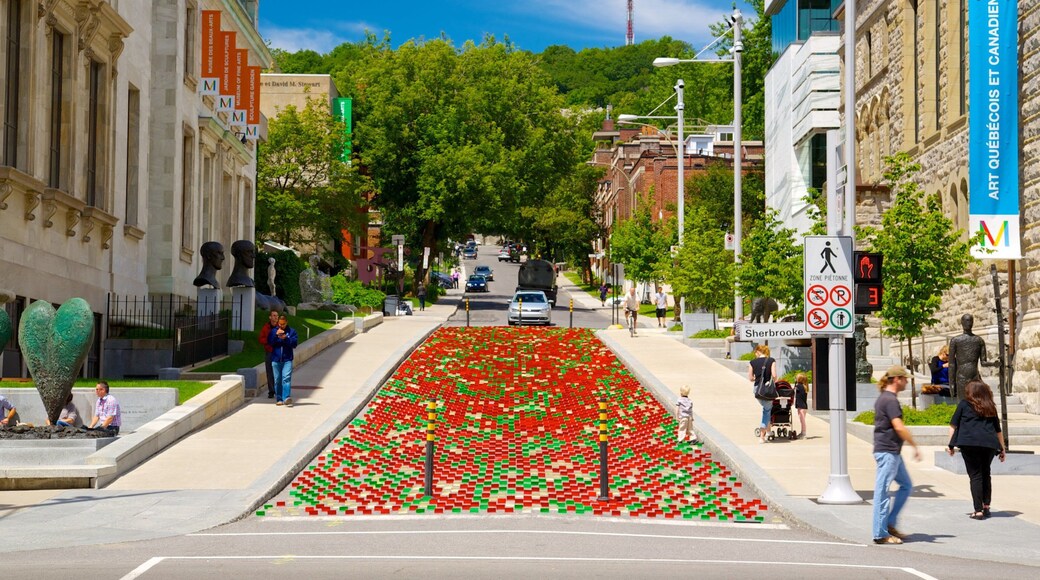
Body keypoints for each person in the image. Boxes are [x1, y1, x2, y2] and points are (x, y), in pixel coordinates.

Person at [872, 365, 921, 545]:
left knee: (906, 485)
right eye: (905, 379)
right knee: (882, 491)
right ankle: (880, 533)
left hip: (892, 452)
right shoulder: (890, 400)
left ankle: (890, 523)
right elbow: (898, 426)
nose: (907, 382)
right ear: (897, 379)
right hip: (888, 452)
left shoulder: (885, 398)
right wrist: (914, 445)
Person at [947, 380, 1007, 519]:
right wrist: (1002, 449)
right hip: (989, 444)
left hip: (969, 443)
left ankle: (978, 510)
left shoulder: (964, 404)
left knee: (975, 475)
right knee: (986, 473)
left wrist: (950, 445)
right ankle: (986, 506)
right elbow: (998, 431)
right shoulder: (990, 406)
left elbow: (953, 425)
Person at [949, 314, 993, 398]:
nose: (968, 323)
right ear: (962, 322)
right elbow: (951, 364)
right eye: (966, 320)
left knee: (976, 402)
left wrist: (994, 364)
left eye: (970, 321)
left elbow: (983, 362)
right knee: (963, 402)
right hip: (961, 378)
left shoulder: (979, 340)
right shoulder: (955, 340)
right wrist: (951, 383)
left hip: (974, 378)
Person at [748, 344, 777, 444]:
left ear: (758, 351)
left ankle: (768, 431)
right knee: (767, 411)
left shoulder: (752, 362)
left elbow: (750, 378)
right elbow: (774, 375)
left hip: (758, 390)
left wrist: (758, 379)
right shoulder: (771, 360)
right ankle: (762, 436)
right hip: (767, 390)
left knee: (767, 408)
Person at [269, 313, 299, 407]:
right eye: (280, 324)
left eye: (283, 324)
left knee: (286, 378)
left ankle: (286, 398)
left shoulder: (292, 331)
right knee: (277, 379)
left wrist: (286, 338)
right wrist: (276, 335)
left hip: (287, 359)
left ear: (286, 322)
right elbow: (270, 342)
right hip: (276, 359)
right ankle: (279, 399)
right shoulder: (274, 331)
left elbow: (294, 344)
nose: (281, 326)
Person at [258, 309, 280, 399]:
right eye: (274, 315)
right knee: (269, 371)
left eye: (277, 316)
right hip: (269, 352)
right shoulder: (266, 327)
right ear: (270, 317)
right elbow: (261, 339)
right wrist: (268, 341)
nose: (276, 317)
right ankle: (271, 391)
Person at [794, 373, 809, 439]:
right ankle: (802, 432)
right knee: (802, 420)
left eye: (796, 378)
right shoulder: (804, 387)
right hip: (804, 406)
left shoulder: (799, 386)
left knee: (802, 421)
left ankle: (803, 433)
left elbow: (794, 389)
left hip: (801, 407)